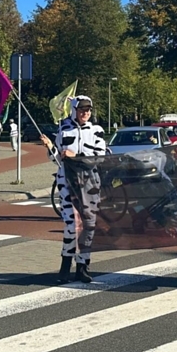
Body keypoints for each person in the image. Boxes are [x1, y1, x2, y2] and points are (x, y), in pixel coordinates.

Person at [39, 96, 108, 283]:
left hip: (90, 184)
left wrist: (75, 155)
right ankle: (64, 268)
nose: (85, 113)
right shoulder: (64, 129)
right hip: (67, 183)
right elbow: (58, 160)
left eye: (88, 110)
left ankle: (83, 267)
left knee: (88, 226)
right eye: (82, 109)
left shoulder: (97, 131)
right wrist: (51, 147)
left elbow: (99, 158)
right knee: (71, 226)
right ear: (74, 110)